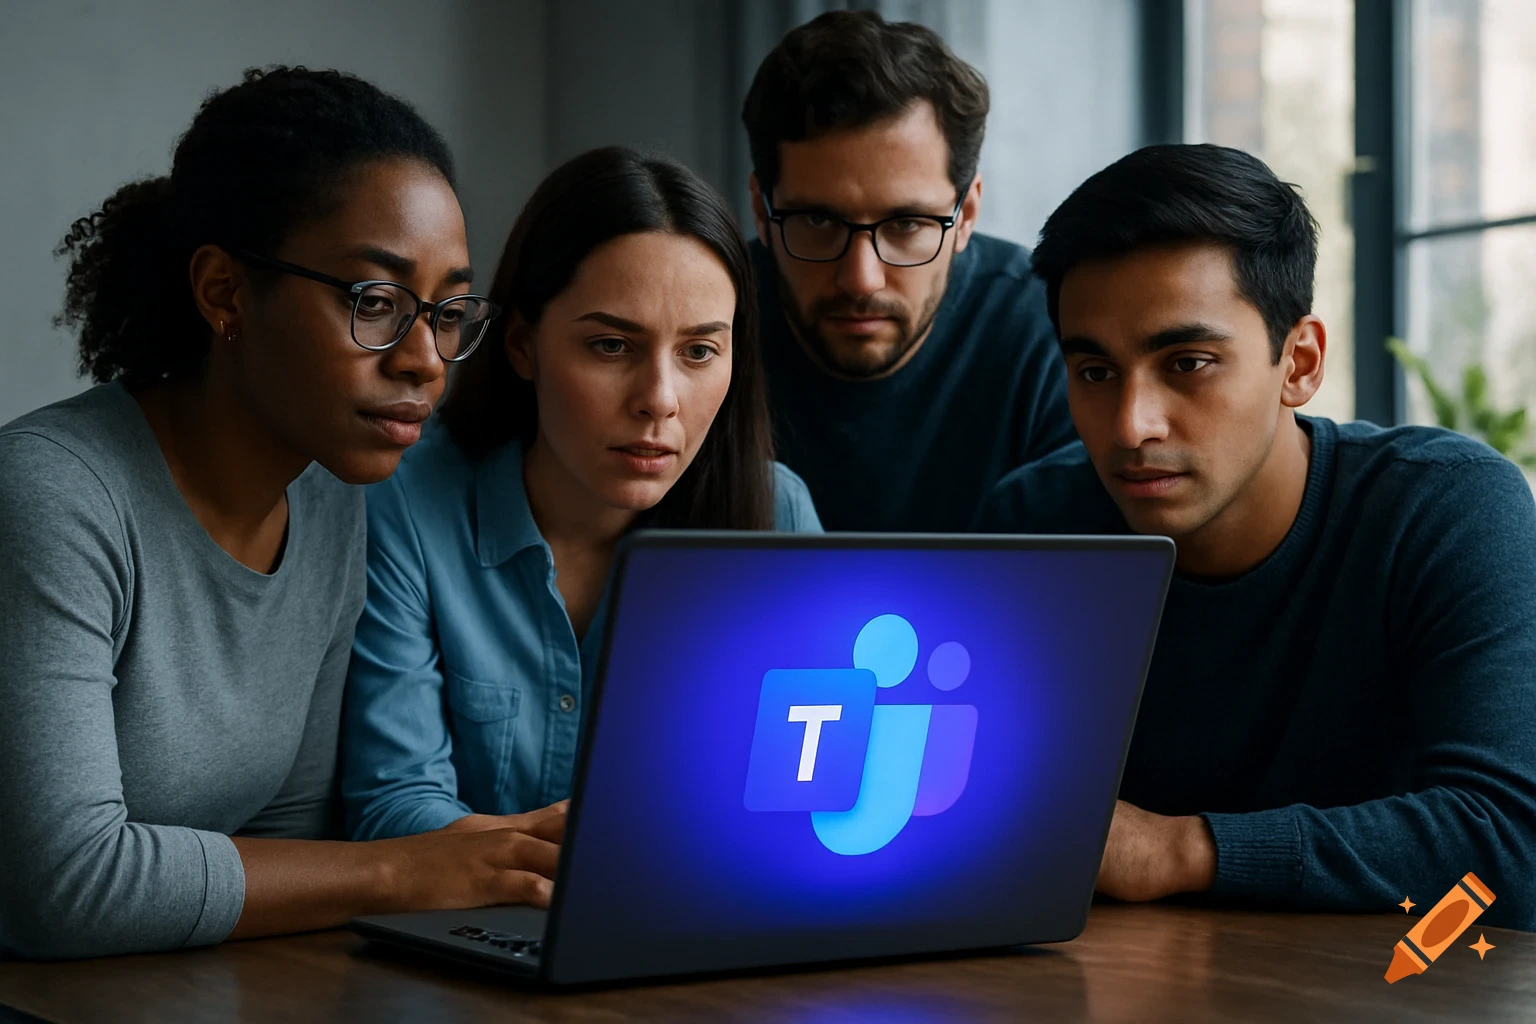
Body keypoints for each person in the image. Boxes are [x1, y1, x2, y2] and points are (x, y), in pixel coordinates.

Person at [0, 68, 571, 960]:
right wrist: (406, 870)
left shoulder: (333, 499)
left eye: (448, 311)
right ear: (224, 292)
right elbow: (68, 884)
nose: (426, 359)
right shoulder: (52, 496)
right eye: (375, 302)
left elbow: (291, 836)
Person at [978, 144, 1536, 929]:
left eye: (1188, 363)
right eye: (1096, 373)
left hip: (1394, 984)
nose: (1133, 426)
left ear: (1299, 363)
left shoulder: (1444, 508)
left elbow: (1511, 843)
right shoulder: (1034, 526)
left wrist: (1177, 851)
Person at [342, 147, 821, 841]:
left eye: (698, 352)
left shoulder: (776, 515)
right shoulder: (408, 506)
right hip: (476, 908)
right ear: (522, 345)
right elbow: (395, 808)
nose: (659, 400)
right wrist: (604, 862)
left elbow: (803, 796)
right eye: (612, 346)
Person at [740, 9, 1075, 533]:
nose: (861, 279)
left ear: (966, 214)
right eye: (818, 221)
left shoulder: (1050, 325)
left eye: (906, 224)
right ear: (762, 212)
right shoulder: (703, 326)